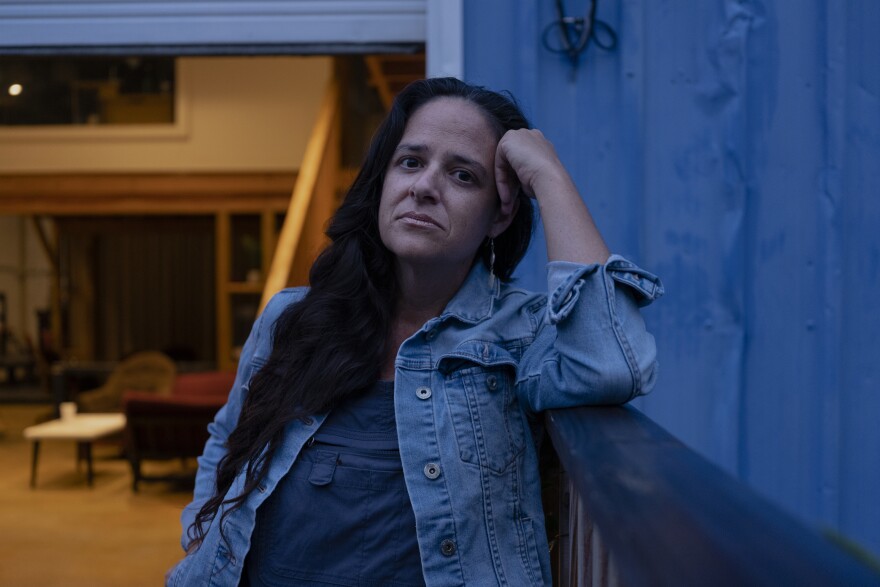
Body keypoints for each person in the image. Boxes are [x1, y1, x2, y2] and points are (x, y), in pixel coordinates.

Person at [167, 77, 662, 587]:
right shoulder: (294, 318)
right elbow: (229, 438)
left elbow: (612, 361)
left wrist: (549, 176)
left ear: (499, 215)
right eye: (410, 162)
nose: (424, 186)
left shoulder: (518, 332)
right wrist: (200, 539)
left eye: (462, 175)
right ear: (382, 183)